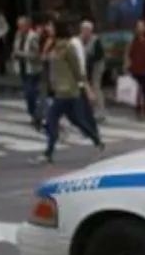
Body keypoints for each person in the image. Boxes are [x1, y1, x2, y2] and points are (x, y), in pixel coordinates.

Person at [33, 17, 104, 164]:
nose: (48, 29)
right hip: (59, 90)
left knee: (51, 119)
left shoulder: (68, 47)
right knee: (76, 120)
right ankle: (98, 141)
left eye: (51, 27)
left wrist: (87, 89)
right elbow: (43, 60)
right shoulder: (54, 45)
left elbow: (78, 69)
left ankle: (48, 154)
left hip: (67, 91)